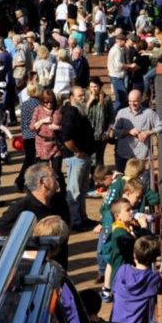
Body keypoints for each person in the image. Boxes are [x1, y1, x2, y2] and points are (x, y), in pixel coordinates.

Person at [57, 86, 95, 230]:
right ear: (72, 96)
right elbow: (66, 138)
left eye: (83, 95)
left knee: (83, 189)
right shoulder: (70, 114)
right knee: (74, 191)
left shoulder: (78, 111)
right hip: (76, 157)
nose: (83, 98)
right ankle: (75, 221)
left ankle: (82, 218)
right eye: (80, 96)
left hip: (83, 155)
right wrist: (76, 151)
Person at [110, 235, 162, 323]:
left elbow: (114, 290)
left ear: (134, 255)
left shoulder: (123, 270)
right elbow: (160, 288)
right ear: (154, 259)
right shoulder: (153, 279)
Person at [113, 90, 162, 173]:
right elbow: (115, 132)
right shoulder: (121, 113)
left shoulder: (149, 113)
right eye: (130, 101)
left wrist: (148, 132)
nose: (132, 104)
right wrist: (128, 132)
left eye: (135, 101)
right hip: (123, 154)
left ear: (141, 100)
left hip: (140, 156)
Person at [15, 83, 42, 192]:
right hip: (35, 135)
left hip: (26, 135)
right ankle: (23, 181)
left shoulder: (25, 104)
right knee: (33, 160)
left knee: (29, 159)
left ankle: (21, 181)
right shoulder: (38, 104)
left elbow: (22, 122)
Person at [86, 77, 114, 168]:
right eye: (91, 87)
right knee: (89, 157)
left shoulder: (106, 99)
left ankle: (99, 177)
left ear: (100, 86)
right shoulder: (85, 98)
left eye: (95, 86)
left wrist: (108, 131)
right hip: (88, 134)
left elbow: (111, 117)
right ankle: (90, 178)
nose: (93, 89)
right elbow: (82, 113)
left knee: (99, 157)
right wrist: (90, 100)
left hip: (101, 133)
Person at [108, 34, 135, 113]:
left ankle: (116, 113)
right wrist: (130, 66)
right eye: (125, 41)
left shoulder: (117, 49)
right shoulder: (117, 51)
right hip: (116, 76)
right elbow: (118, 65)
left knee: (119, 97)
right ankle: (113, 113)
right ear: (121, 41)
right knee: (121, 97)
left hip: (116, 76)